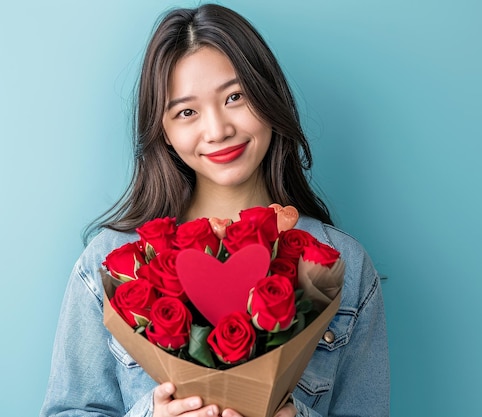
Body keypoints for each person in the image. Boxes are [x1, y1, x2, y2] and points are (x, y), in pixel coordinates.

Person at [40, 3, 389, 417]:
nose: (218, 129)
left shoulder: (342, 264)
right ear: (164, 132)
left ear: (268, 98)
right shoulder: (109, 265)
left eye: (235, 97)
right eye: (187, 112)